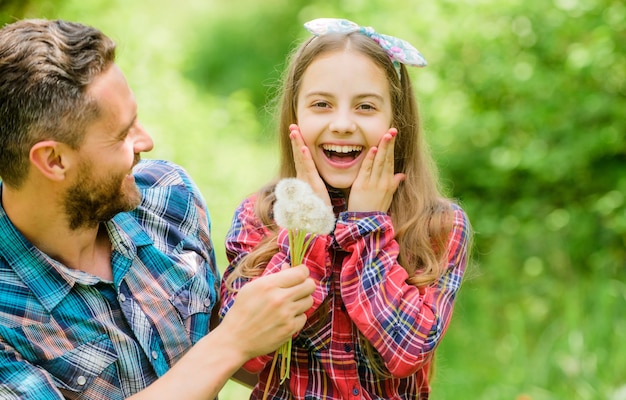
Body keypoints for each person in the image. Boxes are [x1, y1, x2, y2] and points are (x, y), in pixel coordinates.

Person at [0, 18, 315, 399]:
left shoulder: (169, 198)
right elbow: (226, 346)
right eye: (122, 135)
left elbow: (244, 357)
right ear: (53, 160)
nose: (146, 141)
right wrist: (231, 342)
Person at [219, 18, 472, 399]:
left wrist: (366, 227)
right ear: (295, 117)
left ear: (396, 121)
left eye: (366, 107)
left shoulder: (437, 225)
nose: (341, 124)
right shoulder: (260, 216)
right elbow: (240, 354)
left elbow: (408, 351)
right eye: (321, 104)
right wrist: (307, 227)